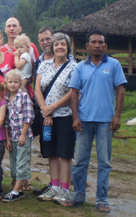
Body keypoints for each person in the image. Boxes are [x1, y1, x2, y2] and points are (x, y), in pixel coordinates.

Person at [63, 30, 127, 213]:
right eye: (94, 42)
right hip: (84, 121)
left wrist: (117, 116)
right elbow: (74, 92)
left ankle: (102, 199)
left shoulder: (114, 65)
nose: (97, 45)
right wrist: (75, 117)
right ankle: (78, 196)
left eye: (101, 42)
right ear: (87, 46)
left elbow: (120, 90)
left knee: (104, 161)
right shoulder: (80, 67)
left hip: (106, 121)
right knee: (80, 161)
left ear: (105, 46)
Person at [35, 33, 77, 204]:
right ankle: (54, 187)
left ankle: (66, 190)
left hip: (65, 116)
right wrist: (46, 111)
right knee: (51, 152)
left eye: (63, 44)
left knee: (64, 153)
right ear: (52, 47)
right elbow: (37, 89)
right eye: (57, 44)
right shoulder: (44, 65)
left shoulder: (74, 67)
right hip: (46, 117)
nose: (59, 47)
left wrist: (53, 108)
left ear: (68, 47)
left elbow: (73, 92)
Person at [3, 70, 34, 202]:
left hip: (23, 136)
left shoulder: (24, 97)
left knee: (22, 162)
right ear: (6, 83)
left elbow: (29, 117)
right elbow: (5, 121)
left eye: (16, 82)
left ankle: (15, 191)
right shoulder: (5, 99)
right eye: (10, 82)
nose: (13, 84)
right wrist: (7, 139)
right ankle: (18, 188)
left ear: (20, 83)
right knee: (14, 163)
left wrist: (23, 135)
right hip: (12, 136)